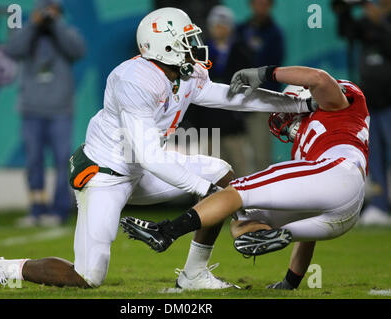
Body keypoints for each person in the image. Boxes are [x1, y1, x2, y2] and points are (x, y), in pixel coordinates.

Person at [0, 7, 315, 290]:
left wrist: (295, 105)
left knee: (221, 173)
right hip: (105, 175)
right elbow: (149, 155)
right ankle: (3, 269)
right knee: (88, 275)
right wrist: (206, 191)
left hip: (142, 169)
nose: (195, 44)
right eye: (186, 39)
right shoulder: (134, 79)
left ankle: (194, 274)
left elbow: (231, 98)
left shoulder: (187, 72)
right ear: (164, 46)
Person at [120, 65, 369, 290]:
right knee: (243, 223)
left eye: (291, 106)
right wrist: (290, 283)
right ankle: (268, 236)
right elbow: (309, 233)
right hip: (341, 215)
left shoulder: (341, 105)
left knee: (235, 191)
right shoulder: (308, 147)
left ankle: (167, 231)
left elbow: (318, 78)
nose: (285, 116)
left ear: (308, 98)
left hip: (338, 170)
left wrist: (265, 73)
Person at [4, 0, 86, 227]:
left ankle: (60, 211)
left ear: (60, 12)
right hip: (31, 109)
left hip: (60, 110)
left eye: (53, 10)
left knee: (62, 161)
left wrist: (56, 24)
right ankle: (36, 210)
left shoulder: (66, 32)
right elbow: (12, 50)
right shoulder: (28, 35)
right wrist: (33, 25)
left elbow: (78, 50)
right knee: (34, 161)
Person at [333, 0, 391, 225]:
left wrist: (380, 22)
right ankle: (379, 206)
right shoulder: (366, 25)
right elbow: (344, 29)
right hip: (370, 104)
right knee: (372, 156)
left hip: (389, 101)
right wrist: (344, 8)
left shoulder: (382, 25)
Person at [184, 5, 255, 177]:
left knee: (242, 168)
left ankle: (248, 202)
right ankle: (207, 204)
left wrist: (241, 114)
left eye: (223, 24)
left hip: (233, 122)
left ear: (230, 27)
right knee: (209, 173)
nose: (219, 28)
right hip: (208, 123)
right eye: (216, 24)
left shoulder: (242, 51)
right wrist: (194, 119)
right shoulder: (199, 53)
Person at [237, 0, 285, 171]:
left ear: (270, 5)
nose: (260, 5)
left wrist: (266, 98)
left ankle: (264, 195)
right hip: (238, 100)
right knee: (237, 154)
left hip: (261, 101)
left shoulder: (275, 33)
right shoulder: (240, 30)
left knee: (261, 155)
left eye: (264, 2)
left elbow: (275, 71)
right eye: (257, 2)